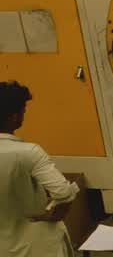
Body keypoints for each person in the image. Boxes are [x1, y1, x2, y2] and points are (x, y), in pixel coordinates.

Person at [0, 81, 79, 257]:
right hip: (39, 247)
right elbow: (64, 192)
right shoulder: (29, 152)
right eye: (23, 110)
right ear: (14, 117)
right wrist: (52, 216)